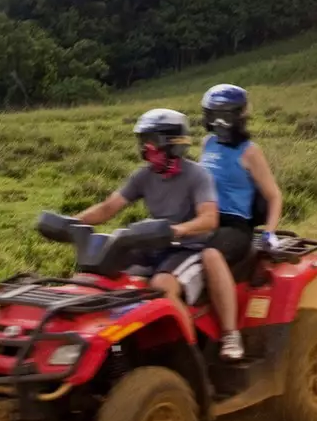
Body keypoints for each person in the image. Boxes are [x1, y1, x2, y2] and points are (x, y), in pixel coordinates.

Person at [71, 109, 218, 339]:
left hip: (188, 249)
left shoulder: (197, 175)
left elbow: (209, 219)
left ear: (173, 144)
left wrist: (179, 229)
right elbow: (109, 207)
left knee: (162, 286)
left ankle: (187, 350)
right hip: (153, 244)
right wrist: (72, 222)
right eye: (142, 142)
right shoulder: (143, 176)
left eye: (151, 142)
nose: (145, 149)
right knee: (102, 273)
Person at [195, 83, 285, 362]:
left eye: (220, 115)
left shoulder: (250, 152)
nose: (216, 121)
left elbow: (273, 195)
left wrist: (269, 232)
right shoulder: (206, 144)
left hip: (235, 226)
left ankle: (230, 334)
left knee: (210, 255)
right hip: (203, 220)